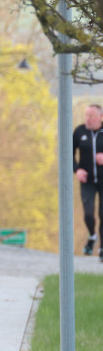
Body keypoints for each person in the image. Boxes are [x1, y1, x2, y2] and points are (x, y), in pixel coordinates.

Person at [73, 103, 103, 258]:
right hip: (87, 181)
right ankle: (92, 236)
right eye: (86, 116)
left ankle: (102, 248)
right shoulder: (79, 131)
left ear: (100, 117)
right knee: (89, 213)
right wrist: (77, 170)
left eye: (91, 116)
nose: (88, 119)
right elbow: (68, 153)